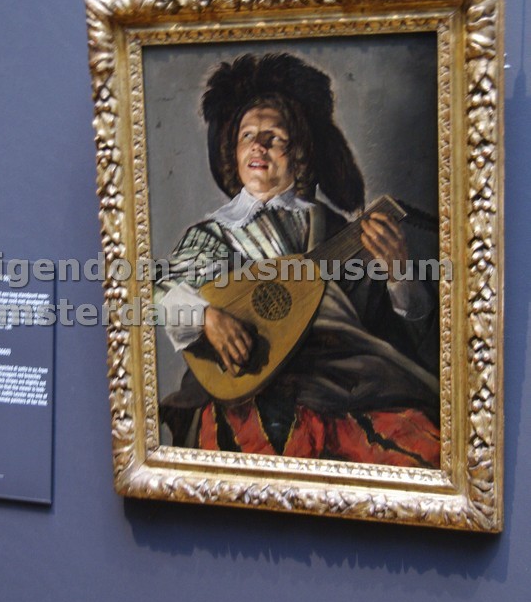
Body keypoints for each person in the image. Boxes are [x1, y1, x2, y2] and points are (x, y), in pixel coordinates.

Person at [154, 53, 440, 467]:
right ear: (232, 153)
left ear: (300, 153)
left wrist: (399, 275)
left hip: (343, 390)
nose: (258, 145)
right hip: (243, 392)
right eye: (247, 136)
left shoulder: (339, 234)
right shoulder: (214, 234)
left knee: (424, 449)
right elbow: (157, 293)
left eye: (273, 137)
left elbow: (390, 331)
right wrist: (207, 318)